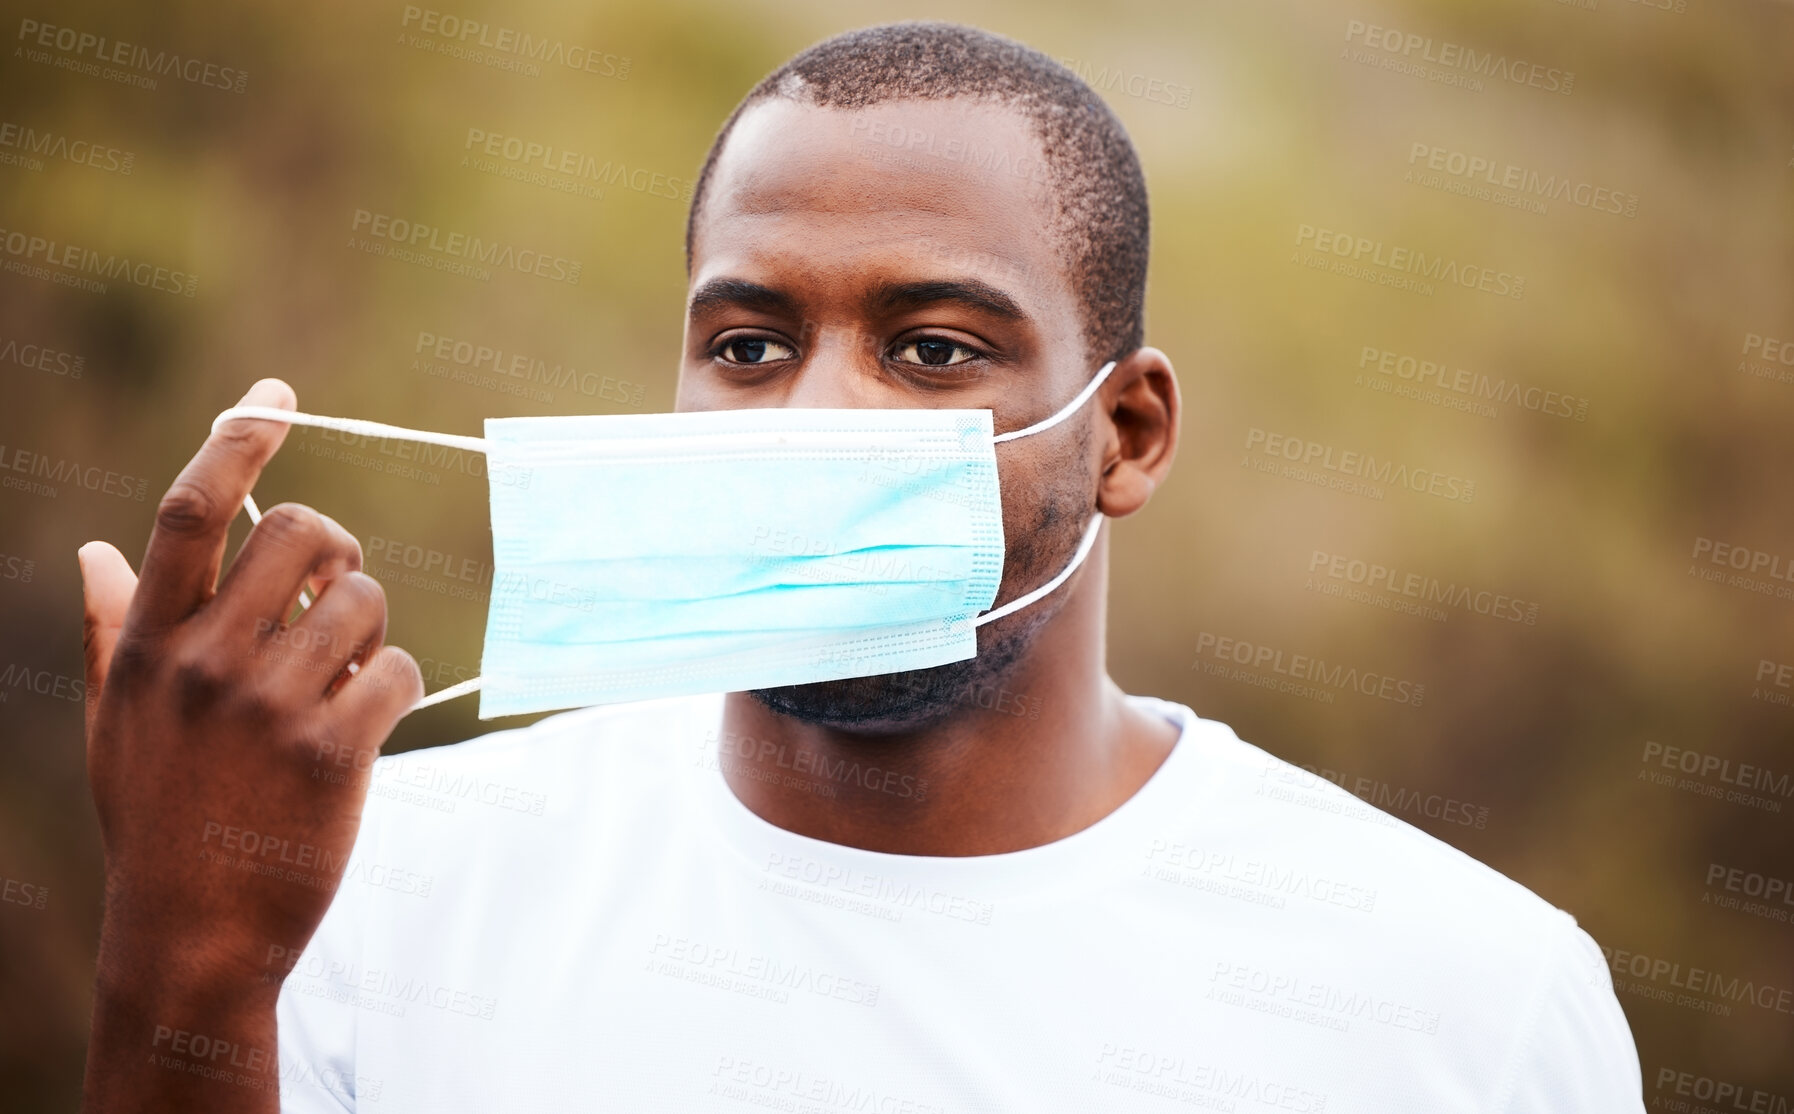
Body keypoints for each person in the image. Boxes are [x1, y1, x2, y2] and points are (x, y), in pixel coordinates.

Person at [75, 21, 1644, 1113]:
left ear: (1129, 433)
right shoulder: (363, 882)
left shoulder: (1458, 994)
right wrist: (181, 951)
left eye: (932, 347)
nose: (816, 416)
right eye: (748, 345)